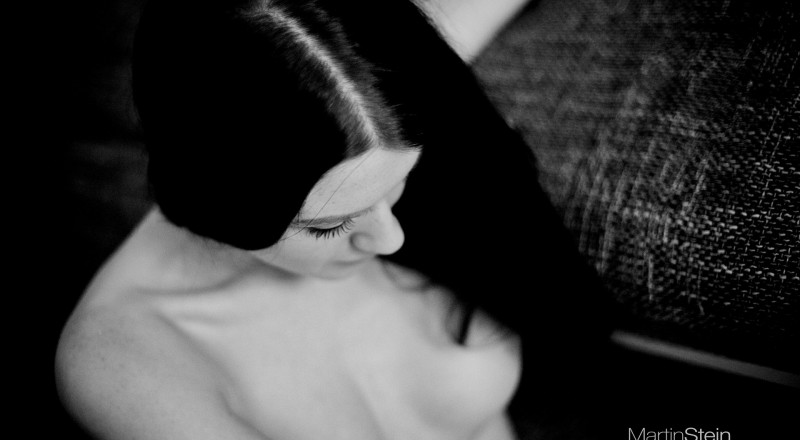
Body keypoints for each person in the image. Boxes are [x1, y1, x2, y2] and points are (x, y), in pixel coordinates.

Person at [56, 0, 611, 439]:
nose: (390, 238)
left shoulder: (362, 87)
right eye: (329, 225)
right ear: (222, 203)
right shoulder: (120, 363)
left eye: (399, 185)